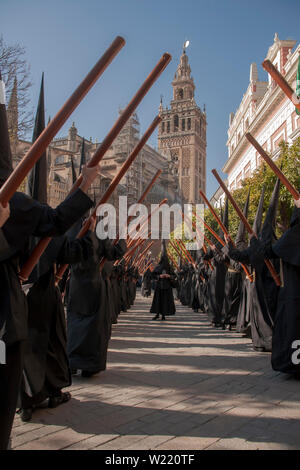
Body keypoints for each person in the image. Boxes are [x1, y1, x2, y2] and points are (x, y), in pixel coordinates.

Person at [0, 164, 99, 450]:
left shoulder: (22, 211)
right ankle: (25, 399)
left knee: (32, 350)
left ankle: (34, 396)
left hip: (24, 305)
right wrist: (85, 186)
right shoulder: (19, 209)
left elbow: (67, 244)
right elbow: (57, 222)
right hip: (14, 307)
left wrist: (86, 231)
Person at [150, 243, 176, 321]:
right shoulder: (158, 267)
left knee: (165, 301)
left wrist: (169, 276)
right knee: (158, 301)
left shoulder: (169, 267)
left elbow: (174, 276)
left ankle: (163, 315)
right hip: (159, 286)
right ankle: (157, 314)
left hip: (167, 287)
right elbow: (153, 275)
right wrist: (159, 276)